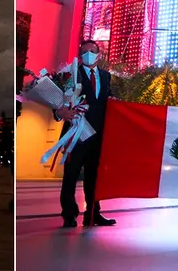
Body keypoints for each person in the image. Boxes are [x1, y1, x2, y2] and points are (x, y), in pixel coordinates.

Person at [55, 40, 117, 228]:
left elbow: (107, 101)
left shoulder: (106, 76)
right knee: (71, 176)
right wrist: (61, 113)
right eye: (84, 52)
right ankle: (69, 214)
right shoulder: (69, 74)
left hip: (98, 136)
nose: (88, 54)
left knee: (94, 177)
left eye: (92, 51)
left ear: (99, 55)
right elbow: (58, 101)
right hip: (76, 134)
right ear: (80, 55)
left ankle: (93, 214)